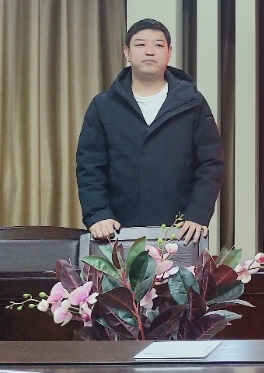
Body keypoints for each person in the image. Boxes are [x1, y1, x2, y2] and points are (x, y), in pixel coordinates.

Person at [76, 18, 224, 244]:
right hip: (116, 230)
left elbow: (211, 163)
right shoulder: (104, 106)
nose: (150, 51)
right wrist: (98, 214)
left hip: (181, 231)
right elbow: (90, 167)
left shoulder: (192, 102)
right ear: (127, 52)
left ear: (169, 52)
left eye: (158, 45)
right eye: (140, 44)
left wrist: (198, 214)